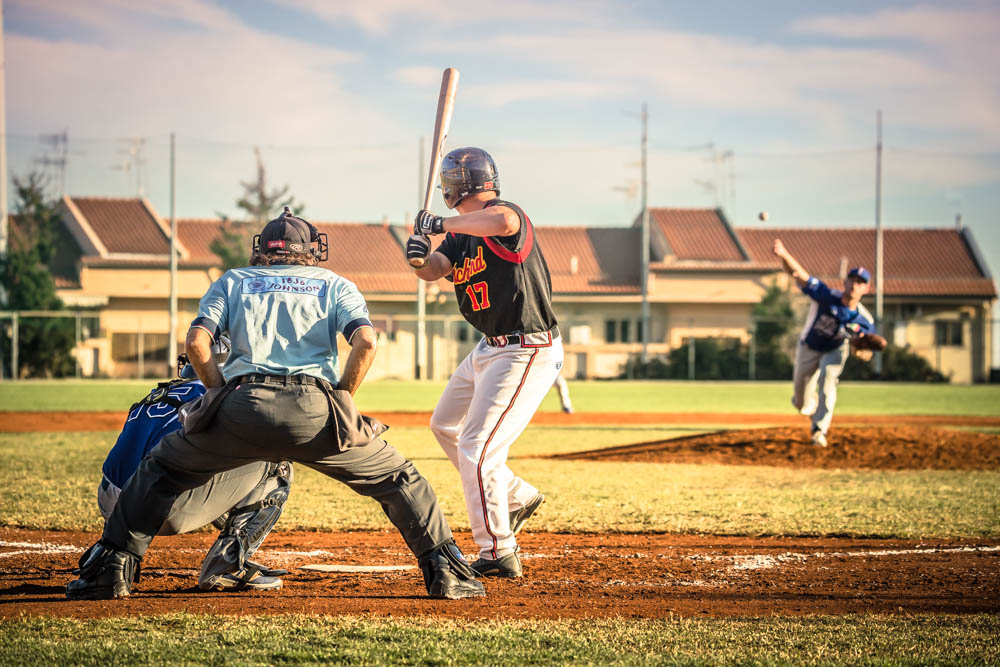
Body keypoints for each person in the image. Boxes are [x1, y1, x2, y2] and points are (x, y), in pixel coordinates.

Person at [67, 207, 484, 601]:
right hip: (316, 408)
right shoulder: (335, 284)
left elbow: (196, 343)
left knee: (160, 470)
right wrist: (341, 397)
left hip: (241, 405)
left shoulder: (233, 280)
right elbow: (367, 341)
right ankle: (445, 572)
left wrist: (215, 394)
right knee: (398, 479)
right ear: (311, 251)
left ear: (261, 250)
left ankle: (112, 570)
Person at [406, 147, 561, 578]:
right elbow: (437, 267)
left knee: (477, 447)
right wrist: (419, 256)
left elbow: (505, 223)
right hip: (489, 347)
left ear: (454, 187)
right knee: (445, 425)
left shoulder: (502, 214)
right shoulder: (461, 234)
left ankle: (498, 551)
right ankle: (514, 495)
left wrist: (438, 224)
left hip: (525, 347)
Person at [91, 338, 292, 591]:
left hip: (112, 509)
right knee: (276, 464)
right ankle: (226, 567)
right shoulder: (219, 395)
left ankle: (107, 554)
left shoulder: (156, 394)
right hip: (161, 506)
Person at [772, 238, 878, 447]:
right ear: (845, 282)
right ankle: (808, 407)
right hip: (809, 347)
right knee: (801, 402)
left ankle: (819, 430)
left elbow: (865, 353)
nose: (855, 284)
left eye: (860, 282)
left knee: (828, 385)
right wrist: (783, 254)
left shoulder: (864, 321)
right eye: (852, 280)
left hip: (835, 350)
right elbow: (799, 275)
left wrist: (861, 350)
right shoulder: (827, 296)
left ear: (866, 289)